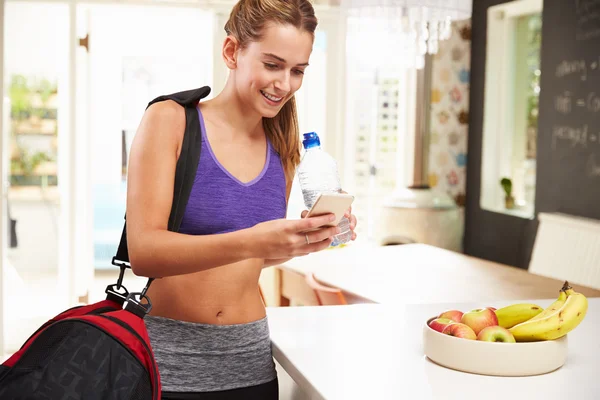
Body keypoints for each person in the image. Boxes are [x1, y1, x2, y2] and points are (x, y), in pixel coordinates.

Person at [125, 0, 358, 398]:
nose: (285, 83)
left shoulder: (282, 145)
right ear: (232, 52)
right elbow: (144, 252)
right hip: (168, 361)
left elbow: (256, 255)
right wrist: (255, 239)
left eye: (297, 70)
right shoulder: (172, 120)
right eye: (272, 64)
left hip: (249, 362)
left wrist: (302, 238)